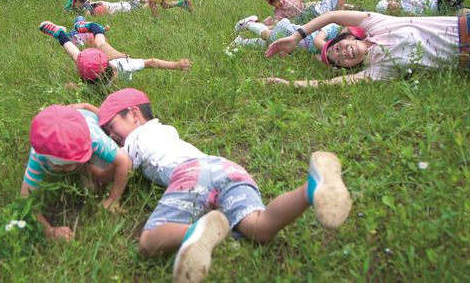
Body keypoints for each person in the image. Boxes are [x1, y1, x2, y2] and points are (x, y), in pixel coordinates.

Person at [97, 88, 352, 282]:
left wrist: (100, 180)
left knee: (148, 241)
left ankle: (193, 232)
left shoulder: (135, 138)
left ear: (134, 115)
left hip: (191, 174)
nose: (112, 138)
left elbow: (122, 166)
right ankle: (311, 189)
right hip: (224, 166)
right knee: (258, 227)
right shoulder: (163, 130)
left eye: (111, 128)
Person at [263, 9, 470, 87]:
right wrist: (290, 83)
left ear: (350, 38)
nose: (344, 54)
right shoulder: (379, 70)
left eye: (341, 48)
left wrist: (296, 36)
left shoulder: (379, 23)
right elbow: (328, 85)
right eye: (340, 61)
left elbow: (331, 16)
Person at [20, 104, 131, 241]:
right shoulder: (38, 155)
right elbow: (26, 198)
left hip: (86, 121)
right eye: (59, 166)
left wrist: (114, 198)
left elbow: (124, 161)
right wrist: (49, 231)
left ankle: (87, 170)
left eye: (71, 164)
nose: (66, 170)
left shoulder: (94, 139)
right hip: (69, 127)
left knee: (94, 186)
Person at [38, 21, 191, 85]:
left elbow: (151, 62)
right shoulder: (119, 67)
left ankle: (87, 26)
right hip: (114, 59)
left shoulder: (121, 67)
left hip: (112, 59)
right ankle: (60, 33)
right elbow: (150, 62)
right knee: (85, 50)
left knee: (98, 43)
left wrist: (176, 65)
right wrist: (175, 65)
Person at [227, 14, 361, 61]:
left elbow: (315, 55)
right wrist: (330, 51)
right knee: (268, 37)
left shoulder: (336, 47)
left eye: (353, 37)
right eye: (349, 32)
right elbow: (317, 40)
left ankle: (241, 42)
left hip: (295, 45)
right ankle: (249, 24)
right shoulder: (332, 27)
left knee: (268, 46)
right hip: (290, 32)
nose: (349, 37)